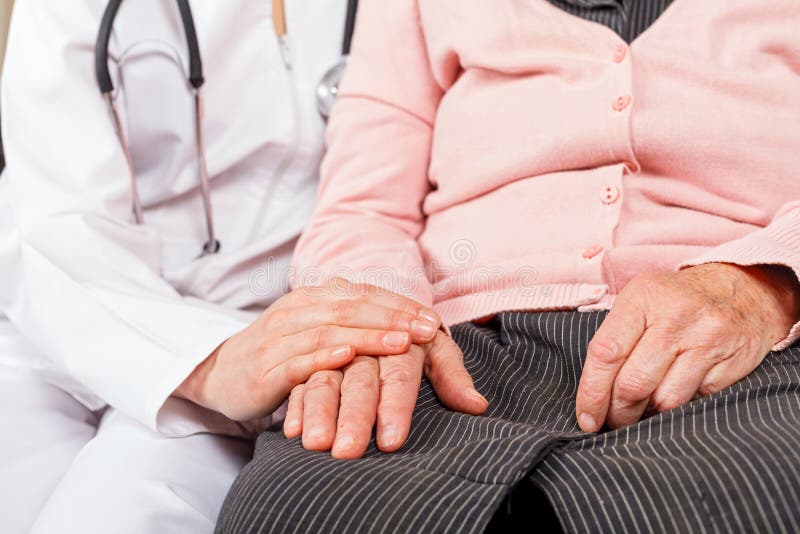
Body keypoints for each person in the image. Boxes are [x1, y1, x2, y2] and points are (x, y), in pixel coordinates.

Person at [218, 0, 800, 532]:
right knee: (299, 506)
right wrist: (371, 323)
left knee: (764, 490)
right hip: (451, 355)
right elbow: (361, 207)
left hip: (739, 347)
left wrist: (762, 284)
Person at [0, 1, 482, 532]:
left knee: (117, 515)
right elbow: (57, 222)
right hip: (65, 319)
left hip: (268, 329)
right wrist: (208, 361)